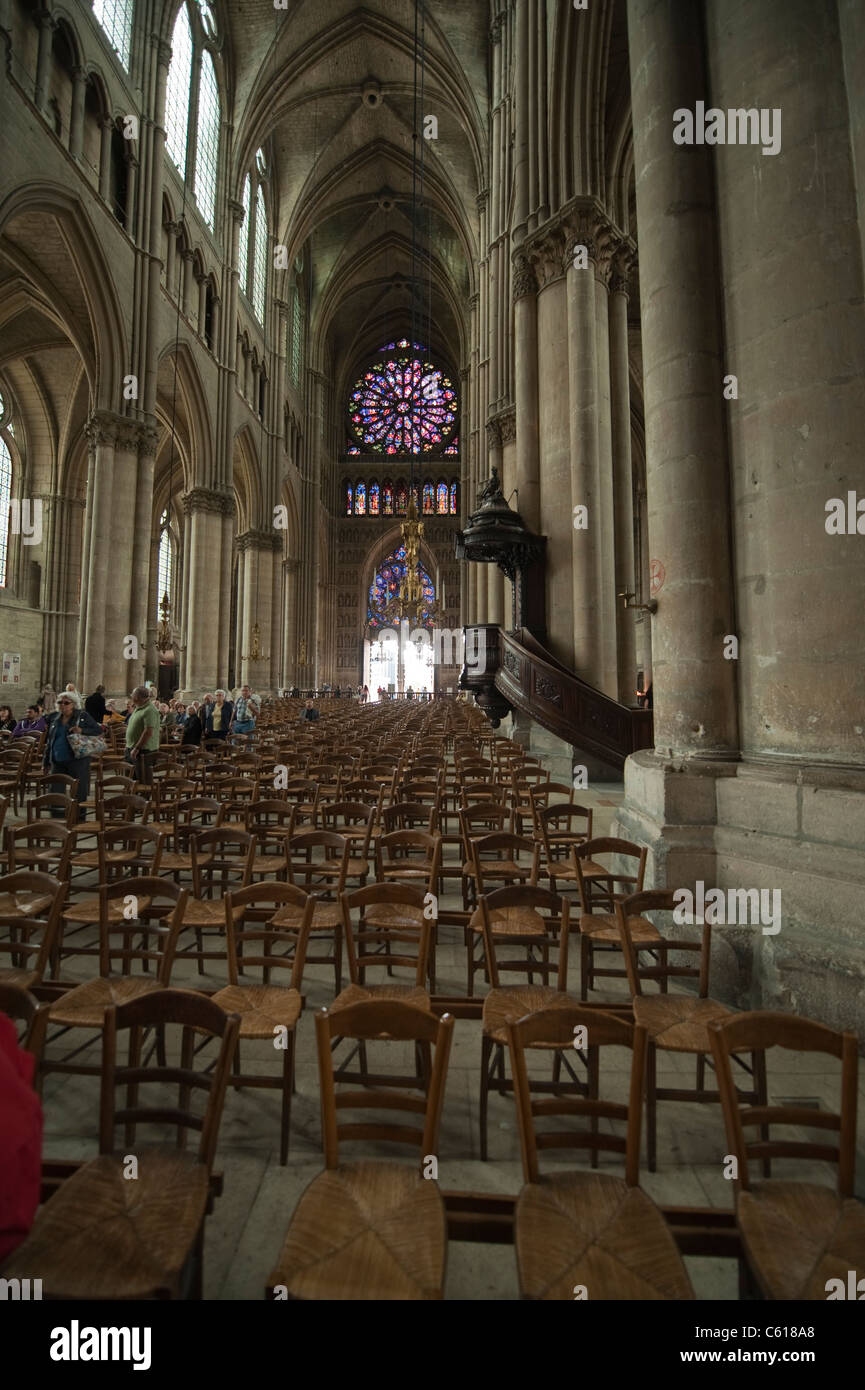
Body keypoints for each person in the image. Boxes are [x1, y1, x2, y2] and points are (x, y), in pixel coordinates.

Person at [43, 690, 103, 820]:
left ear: (73, 704)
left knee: (78, 790)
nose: (62, 705)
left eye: (66, 703)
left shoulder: (82, 716)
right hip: (57, 760)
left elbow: (98, 730)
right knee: (55, 790)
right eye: (60, 702)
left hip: (77, 760)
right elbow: (50, 741)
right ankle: (58, 818)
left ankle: (78, 817)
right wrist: (46, 761)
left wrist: (82, 730)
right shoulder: (54, 718)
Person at [125, 684, 161, 786]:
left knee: (144, 781)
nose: (131, 696)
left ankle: (145, 801)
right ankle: (133, 800)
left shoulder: (150, 710)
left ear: (137, 697)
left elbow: (148, 732)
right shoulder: (139, 707)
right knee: (131, 780)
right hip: (132, 748)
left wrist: (136, 748)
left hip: (143, 751)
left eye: (132, 694)